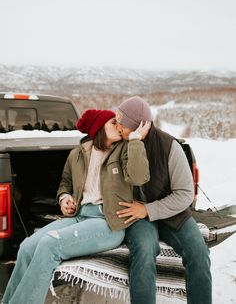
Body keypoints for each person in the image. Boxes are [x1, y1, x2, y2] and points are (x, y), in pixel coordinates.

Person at [2, 109, 150, 304]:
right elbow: (65, 183)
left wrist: (136, 141)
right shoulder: (77, 154)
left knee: (49, 245)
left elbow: (139, 177)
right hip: (79, 216)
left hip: (106, 222)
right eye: (113, 122)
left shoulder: (124, 150)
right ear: (99, 127)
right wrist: (64, 198)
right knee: (27, 247)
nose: (119, 126)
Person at [115, 96, 212, 304]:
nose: (117, 126)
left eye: (121, 121)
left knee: (199, 252)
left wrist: (149, 209)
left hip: (171, 212)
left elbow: (185, 194)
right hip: (137, 215)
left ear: (135, 125)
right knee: (144, 250)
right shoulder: (122, 144)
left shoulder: (170, 147)